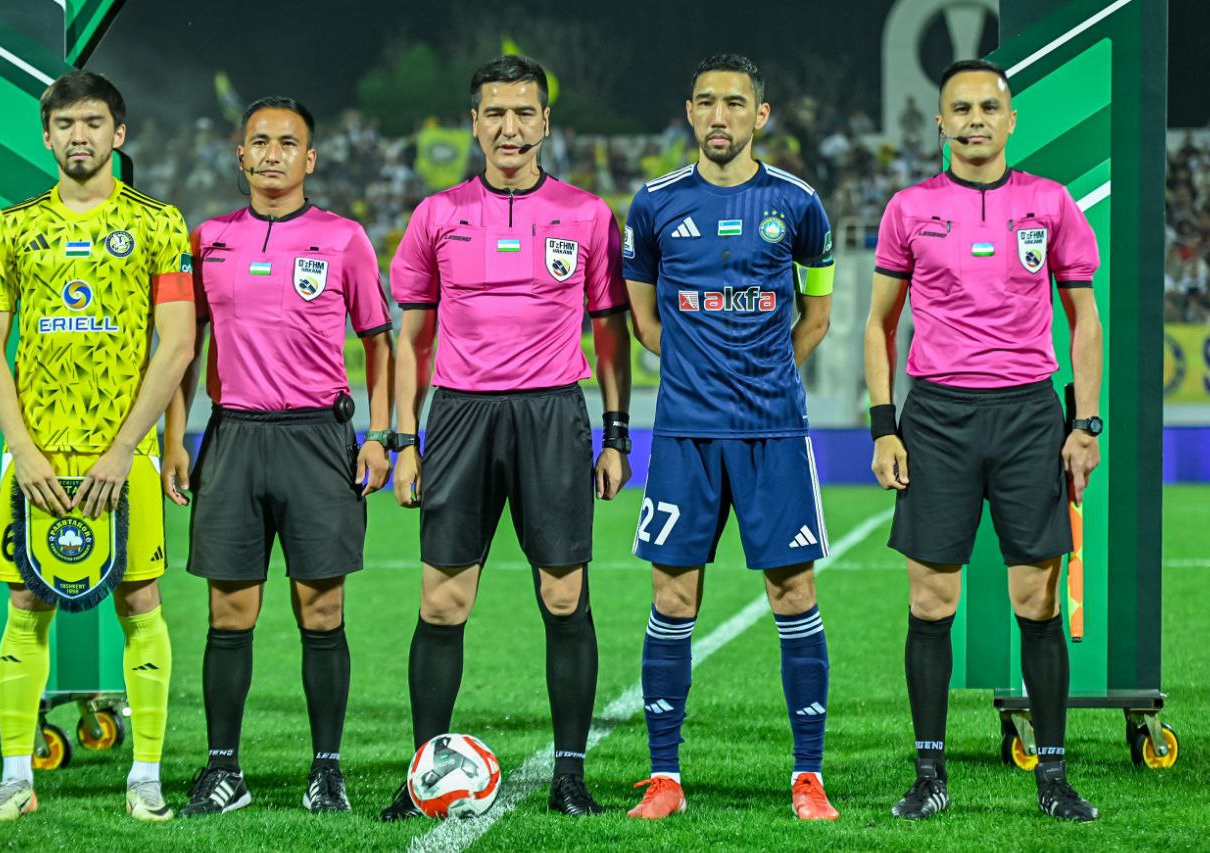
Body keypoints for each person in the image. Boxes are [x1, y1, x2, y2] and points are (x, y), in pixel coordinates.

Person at [380, 54, 632, 820]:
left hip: (552, 415)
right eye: (495, 112)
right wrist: (403, 440)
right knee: (442, 601)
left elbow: (610, 335)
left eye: (524, 113)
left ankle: (570, 776)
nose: (509, 128)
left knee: (565, 595)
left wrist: (617, 435)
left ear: (546, 122)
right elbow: (411, 340)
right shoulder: (437, 214)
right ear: (474, 122)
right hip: (461, 415)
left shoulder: (588, 215)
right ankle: (425, 775)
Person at [864, 59, 1103, 822]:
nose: (974, 120)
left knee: (1036, 596)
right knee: (931, 598)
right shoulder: (909, 208)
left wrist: (1085, 424)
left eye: (988, 108)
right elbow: (879, 324)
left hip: (1028, 415)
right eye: (960, 109)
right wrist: (884, 425)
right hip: (937, 417)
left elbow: (1085, 320)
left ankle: (1053, 777)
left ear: (1010, 120)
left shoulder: (1050, 203)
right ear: (940, 123)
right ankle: (929, 774)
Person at [0, 70, 196, 821]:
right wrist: (22, 448)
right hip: (36, 453)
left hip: (122, 455)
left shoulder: (160, 224)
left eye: (93, 123)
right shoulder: (11, 227)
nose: (79, 136)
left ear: (117, 134)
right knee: (24, 601)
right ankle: (15, 779)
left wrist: (126, 446)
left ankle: (146, 778)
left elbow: (177, 344)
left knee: (141, 599)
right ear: (46, 136)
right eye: (64, 124)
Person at [161, 96, 394, 816]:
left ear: (309, 159)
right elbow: (182, 349)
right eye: (259, 141)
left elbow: (380, 343)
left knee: (321, 609)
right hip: (232, 436)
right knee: (229, 611)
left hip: (317, 440)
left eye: (287, 143)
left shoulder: (344, 238)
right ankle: (223, 770)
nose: (271, 153)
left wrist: (380, 435)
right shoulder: (207, 239)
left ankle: (327, 771)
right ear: (240, 155)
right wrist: (175, 437)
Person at [624, 54, 839, 822]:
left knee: (794, 592)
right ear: (690, 112)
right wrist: (697, 371)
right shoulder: (653, 205)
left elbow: (815, 315)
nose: (721, 116)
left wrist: (765, 376)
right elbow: (644, 319)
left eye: (736, 103)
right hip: (685, 432)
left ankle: (808, 776)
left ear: (761, 115)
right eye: (708, 102)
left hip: (772, 430)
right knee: (672, 595)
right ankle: (664, 776)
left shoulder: (799, 204)